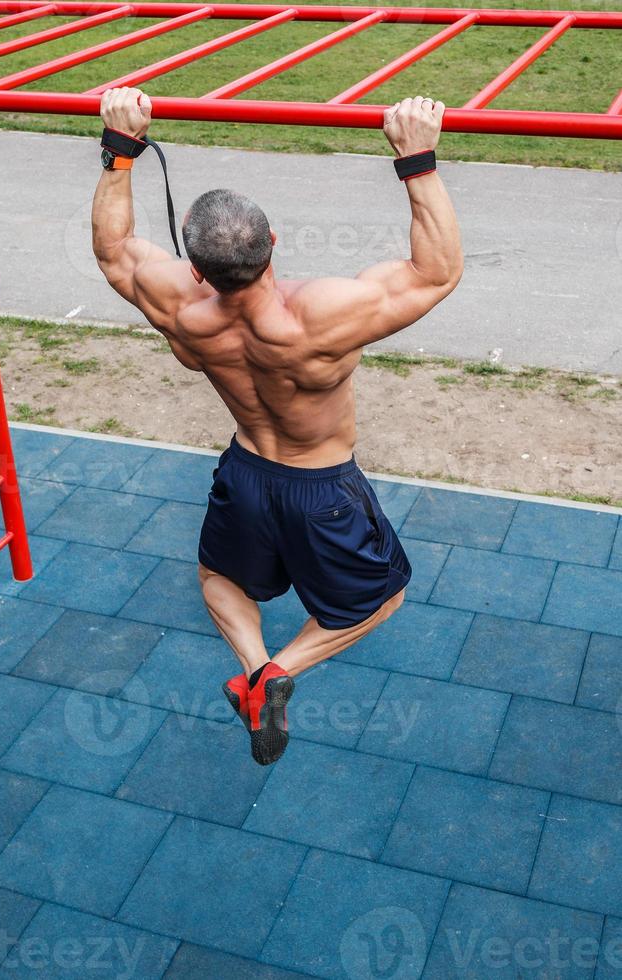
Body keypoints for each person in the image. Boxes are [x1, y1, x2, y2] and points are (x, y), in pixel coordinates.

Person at [92, 87, 463, 766]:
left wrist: (121, 152)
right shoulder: (322, 314)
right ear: (272, 242)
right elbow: (436, 273)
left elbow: (115, 252)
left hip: (246, 470)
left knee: (215, 577)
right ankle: (276, 673)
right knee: (381, 600)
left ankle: (251, 667)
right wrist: (418, 160)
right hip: (323, 486)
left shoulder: (181, 307)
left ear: (196, 267)